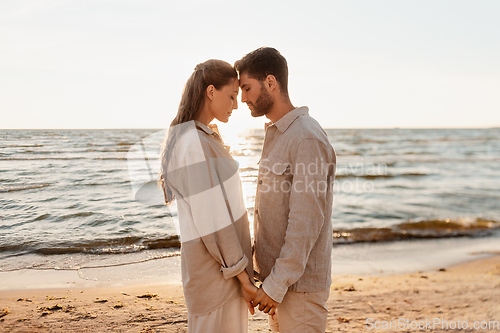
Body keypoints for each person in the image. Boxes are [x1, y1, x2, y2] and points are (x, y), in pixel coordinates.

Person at [235, 47, 336, 332]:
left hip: (298, 289)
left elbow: (306, 222)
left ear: (270, 82)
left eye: (247, 88)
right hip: (278, 285)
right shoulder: (279, 134)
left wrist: (277, 284)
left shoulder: (305, 137)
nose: (243, 98)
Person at [159, 59, 257, 333]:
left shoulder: (201, 137)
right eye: (232, 96)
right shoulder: (193, 142)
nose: (236, 105)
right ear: (211, 92)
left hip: (223, 276)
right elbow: (212, 220)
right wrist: (242, 278)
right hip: (217, 279)